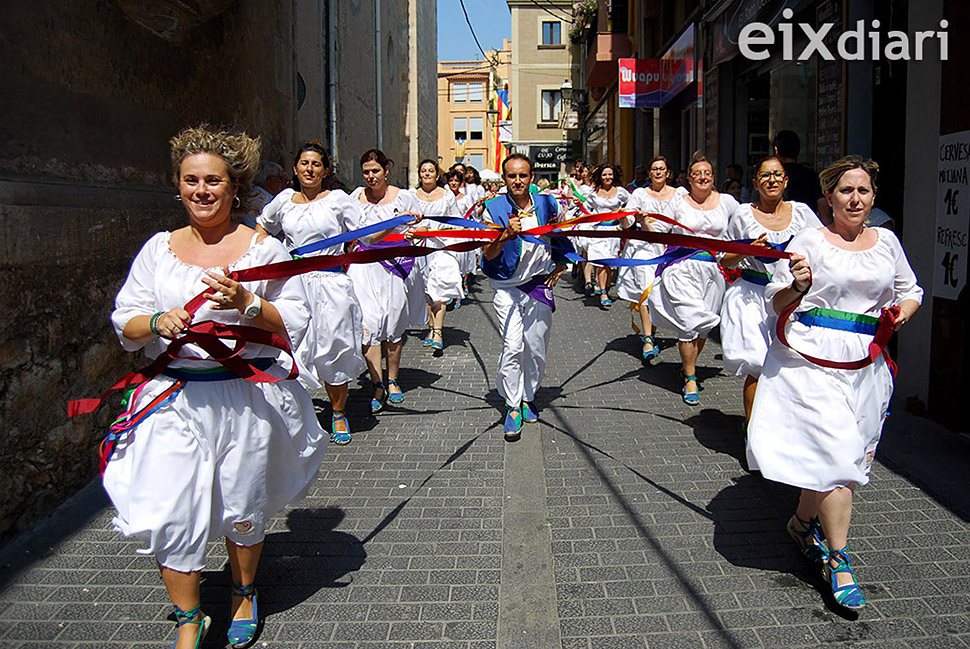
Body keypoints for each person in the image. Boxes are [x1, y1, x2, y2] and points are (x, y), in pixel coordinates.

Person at [105, 125, 326, 649]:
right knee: (167, 506)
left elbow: (294, 318)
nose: (201, 191)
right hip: (169, 399)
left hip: (240, 397)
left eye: (213, 181)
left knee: (241, 501)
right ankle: (189, 619)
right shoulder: (158, 250)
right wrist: (156, 321)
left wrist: (248, 301)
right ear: (178, 185)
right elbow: (126, 322)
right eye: (190, 181)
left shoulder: (262, 248)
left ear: (235, 187)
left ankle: (242, 592)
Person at [746, 155, 922, 610]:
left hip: (865, 365)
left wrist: (901, 313)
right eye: (846, 190)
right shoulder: (810, 240)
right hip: (810, 362)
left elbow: (911, 290)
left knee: (836, 457)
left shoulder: (886, 242)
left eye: (863, 190)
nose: (856, 198)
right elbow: (776, 301)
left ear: (873, 196)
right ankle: (839, 559)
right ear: (829, 197)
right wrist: (798, 288)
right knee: (839, 458)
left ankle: (802, 525)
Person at [256, 140, 366, 445]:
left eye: (316, 164)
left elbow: (366, 236)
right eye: (304, 163)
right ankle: (296, 414)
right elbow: (262, 229)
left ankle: (338, 412)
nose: (309, 169)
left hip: (331, 285)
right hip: (293, 284)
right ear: (295, 168)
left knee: (334, 346)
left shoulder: (339, 200)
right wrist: (268, 258)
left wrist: (403, 222)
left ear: (325, 170)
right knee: (291, 348)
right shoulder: (283, 201)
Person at [719, 156, 822, 424]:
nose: (772, 180)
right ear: (755, 183)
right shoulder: (742, 214)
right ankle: (751, 433)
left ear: (785, 180)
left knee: (790, 365)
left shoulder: (802, 214)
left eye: (777, 174)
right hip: (753, 299)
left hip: (792, 298)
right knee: (759, 365)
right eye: (765, 175)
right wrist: (749, 248)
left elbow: (822, 249)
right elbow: (724, 257)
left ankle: (781, 427)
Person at [482, 153, 574, 442]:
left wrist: (561, 265)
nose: (518, 181)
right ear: (504, 178)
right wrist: (506, 235)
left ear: (531, 177)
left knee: (535, 348)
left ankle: (528, 396)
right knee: (512, 347)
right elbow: (487, 255)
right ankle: (512, 405)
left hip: (537, 286)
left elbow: (560, 237)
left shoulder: (548, 203)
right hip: (506, 287)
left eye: (523, 175)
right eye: (512, 176)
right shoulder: (492, 209)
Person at [648, 155, 739, 405]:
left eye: (707, 172)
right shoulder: (679, 201)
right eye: (697, 173)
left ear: (713, 176)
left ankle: (688, 365)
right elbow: (657, 228)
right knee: (689, 322)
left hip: (712, 273)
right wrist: (640, 220)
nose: (702, 177)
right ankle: (690, 377)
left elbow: (743, 226)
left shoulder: (728, 203)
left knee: (702, 326)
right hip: (681, 268)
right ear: (689, 178)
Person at [348, 149, 425, 413]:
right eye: (366, 172)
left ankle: (393, 379)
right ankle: (377, 383)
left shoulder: (404, 197)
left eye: (375, 171)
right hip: (364, 267)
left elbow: (421, 225)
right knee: (369, 325)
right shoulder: (354, 199)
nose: (371, 176)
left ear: (386, 170)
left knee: (393, 323)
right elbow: (357, 234)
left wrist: (415, 232)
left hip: (395, 266)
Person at [617, 155, 686, 360]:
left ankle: (652, 331)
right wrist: (624, 216)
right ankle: (648, 339)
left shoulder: (679, 194)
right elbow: (627, 224)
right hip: (643, 248)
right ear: (649, 173)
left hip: (668, 248)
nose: (657, 172)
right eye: (654, 169)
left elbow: (685, 219)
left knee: (660, 292)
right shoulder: (639, 194)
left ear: (668, 173)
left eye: (661, 169)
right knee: (646, 290)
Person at [411, 159, 463, 352]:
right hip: (418, 247)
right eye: (423, 170)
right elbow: (404, 219)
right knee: (425, 291)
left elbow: (456, 220)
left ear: (437, 174)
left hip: (441, 246)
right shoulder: (411, 195)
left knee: (439, 290)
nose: (426, 174)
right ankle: (431, 328)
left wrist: (453, 237)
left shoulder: (447, 195)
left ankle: (439, 331)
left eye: (430, 170)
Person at [584, 164, 629, 308]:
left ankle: (606, 287)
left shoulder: (621, 192)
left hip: (614, 231)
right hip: (598, 231)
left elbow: (631, 203)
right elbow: (585, 208)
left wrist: (623, 212)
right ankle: (603, 291)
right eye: (604, 175)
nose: (607, 177)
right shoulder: (594, 193)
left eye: (610, 174)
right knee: (601, 262)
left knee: (610, 264)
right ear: (600, 177)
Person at [772, 130, 826, 219]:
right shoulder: (812, 176)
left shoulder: (771, 178)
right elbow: (823, 210)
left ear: (776, 150)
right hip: (808, 227)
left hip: (777, 228)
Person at [240, 160, 288, 229]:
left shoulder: (262, 196)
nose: (283, 182)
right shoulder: (260, 199)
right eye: (280, 178)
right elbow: (281, 229)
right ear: (270, 179)